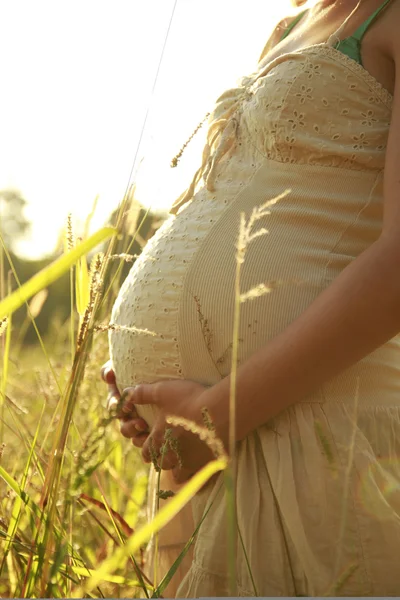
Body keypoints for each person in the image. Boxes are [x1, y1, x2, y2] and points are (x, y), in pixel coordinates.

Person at [103, 0, 400, 595]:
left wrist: (220, 415)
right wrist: (145, 372)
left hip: (316, 436)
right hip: (219, 455)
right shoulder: (291, 26)